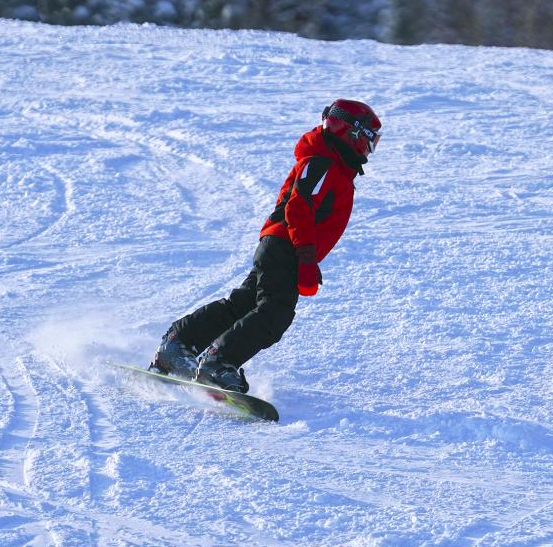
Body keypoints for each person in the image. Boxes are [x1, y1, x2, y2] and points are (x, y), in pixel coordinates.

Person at [150, 99, 382, 393]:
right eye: (369, 139)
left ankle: (178, 345)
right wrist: (306, 257)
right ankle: (218, 362)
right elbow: (298, 209)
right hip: (285, 244)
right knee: (276, 311)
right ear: (351, 133)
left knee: (245, 304)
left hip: (282, 245)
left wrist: (306, 257)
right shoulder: (323, 162)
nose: (369, 149)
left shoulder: (330, 163)